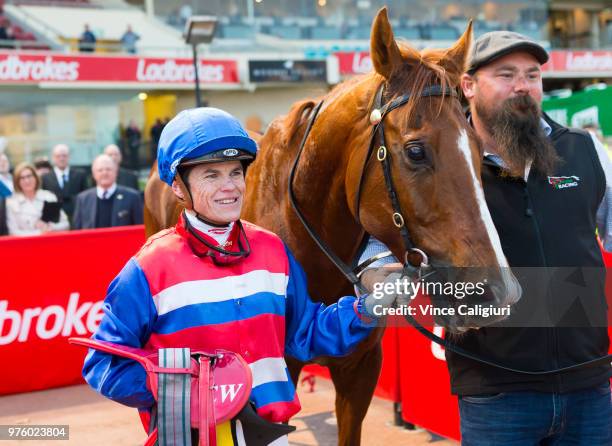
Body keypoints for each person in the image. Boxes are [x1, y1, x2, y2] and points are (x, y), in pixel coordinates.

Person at [82, 107, 397, 443]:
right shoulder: (148, 267)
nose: (229, 187)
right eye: (211, 175)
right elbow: (104, 365)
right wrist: (184, 391)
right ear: (177, 185)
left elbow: (304, 332)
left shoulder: (273, 250)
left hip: (270, 437)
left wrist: (365, 309)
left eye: (235, 172)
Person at [359, 31, 612, 444]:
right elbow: (373, 240)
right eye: (506, 74)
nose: (522, 87)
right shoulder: (439, 160)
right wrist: (379, 276)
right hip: (495, 395)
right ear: (469, 85)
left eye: (532, 75)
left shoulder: (585, 151)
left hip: (590, 387)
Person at [72, 154, 143, 230]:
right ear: (93, 174)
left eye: (108, 169)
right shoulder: (83, 199)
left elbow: (140, 229)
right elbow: (77, 230)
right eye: (100, 170)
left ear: (116, 172)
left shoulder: (132, 197)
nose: (104, 173)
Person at [6, 162, 69, 236]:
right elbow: (13, 232)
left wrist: (51, 227)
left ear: (36, 177)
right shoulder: (11, 203)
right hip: (25, 246)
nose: (27, 181)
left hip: (50, 244)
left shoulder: (49, 196)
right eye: (22, 178)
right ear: (17, 182)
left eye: (29, 176)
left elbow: (66, 224)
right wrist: (39, 233)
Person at [41, 143, 89, 221]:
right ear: (53, 158)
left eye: (64, 155)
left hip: (77, 217)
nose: (61, 158)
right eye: (58, 156)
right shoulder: (45, 178)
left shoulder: (80, 175)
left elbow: (86, 198)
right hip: (55, 220)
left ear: (69, 157)